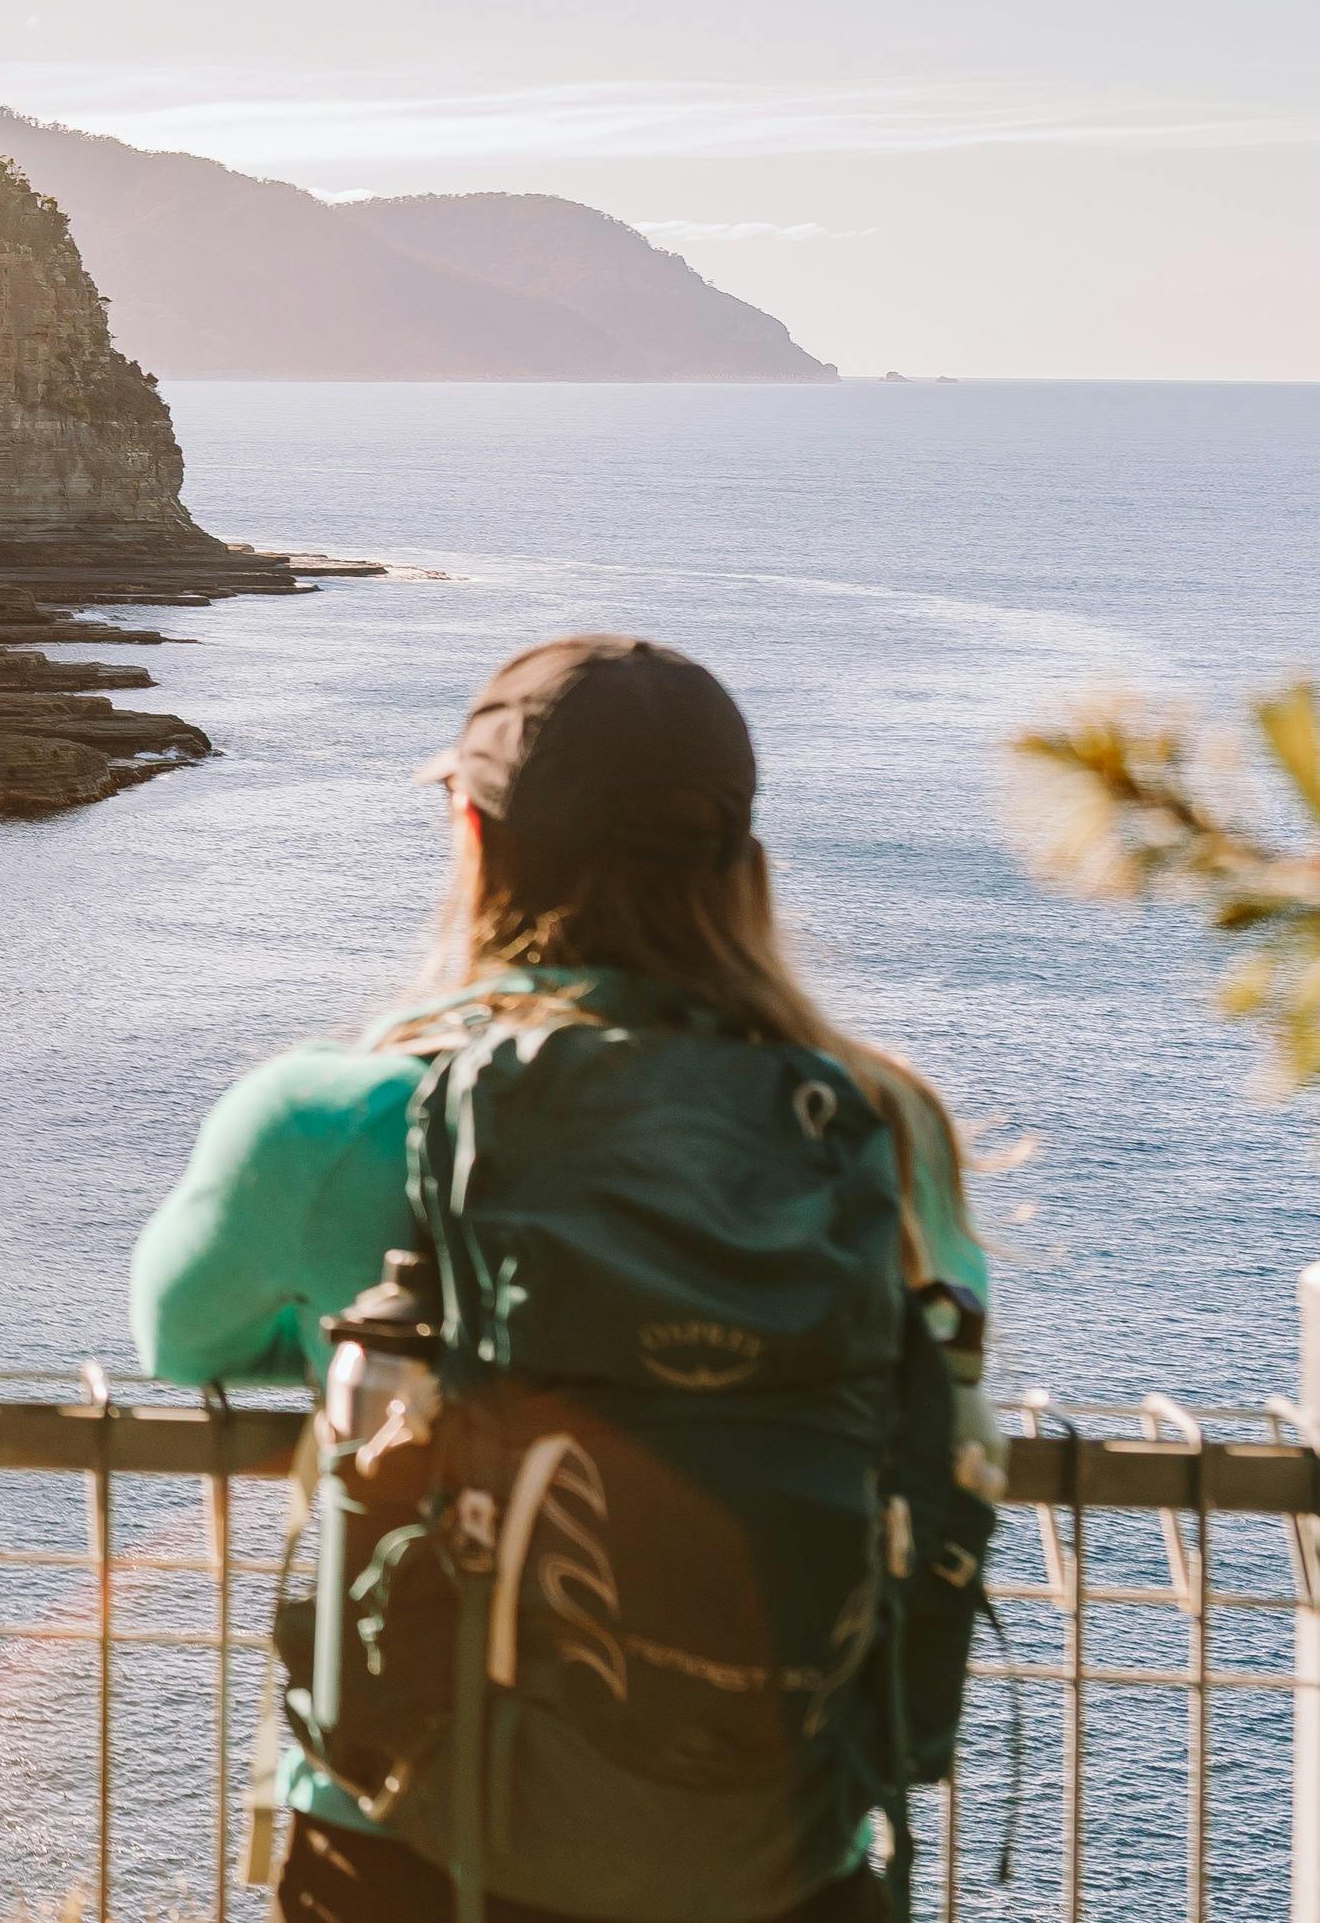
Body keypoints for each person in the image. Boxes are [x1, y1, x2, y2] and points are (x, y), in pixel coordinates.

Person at [131, 635, 993, 1923]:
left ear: (474, 841)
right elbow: (937, 1384)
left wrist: (377, 1359)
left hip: (412, 1838)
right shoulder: (875, 1128)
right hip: (776, 1850)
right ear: (743, 867)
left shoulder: (348, 1115)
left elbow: (182, 1334)